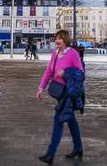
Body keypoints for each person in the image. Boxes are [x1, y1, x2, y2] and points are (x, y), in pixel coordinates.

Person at [37, 30, 85, 164]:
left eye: (59, 39)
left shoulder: (72, 53)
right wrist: (41, 87)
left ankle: (50, 154)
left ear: (65, 40)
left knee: (58, 120)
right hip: (58, 91)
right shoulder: (55, 54)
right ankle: (79, 147)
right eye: (55, 39)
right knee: (70, 120)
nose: (57, 41)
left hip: (67, 93)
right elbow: (49, 71)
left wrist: (66, 72)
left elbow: (80, 73)